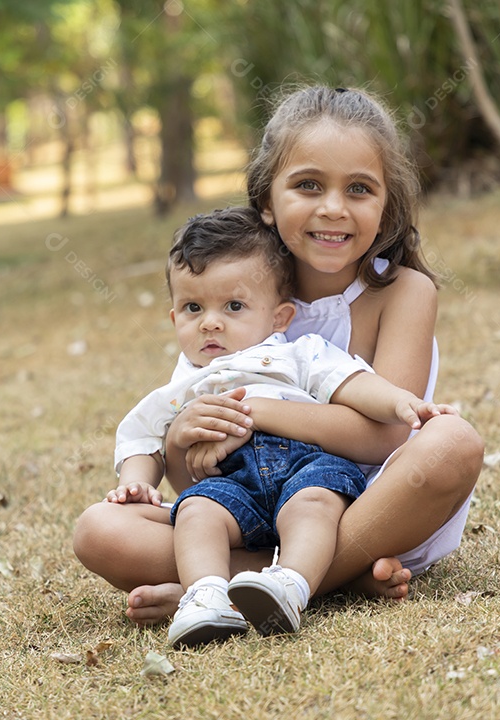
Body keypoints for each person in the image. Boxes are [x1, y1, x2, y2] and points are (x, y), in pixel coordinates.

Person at [74, 85, 484, 626]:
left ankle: (229, 590)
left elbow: (386, 436)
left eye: (359, 188)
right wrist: (179, 438)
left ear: (387, 207)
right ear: (267, 200)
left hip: (375, 512)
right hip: (250, 512)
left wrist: (256, 411)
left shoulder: (403, 293)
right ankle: (305, 582)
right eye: (308, 185)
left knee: (453, 443)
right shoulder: (231, 300)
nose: (333, 208)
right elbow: (194, 476)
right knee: (98, 530)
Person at [110, 207, 457, 647]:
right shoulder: (185, 385)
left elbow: (352, 383)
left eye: (234, 306)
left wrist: (401, 402)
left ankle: (291, 584)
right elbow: (140, 434)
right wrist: (137, 483)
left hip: (305, 468)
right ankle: (205, 595)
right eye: (193, 308)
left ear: (279, 318)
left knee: (314, 506)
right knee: (196, 513)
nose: (210, 321)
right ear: (174, 318)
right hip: (231, 486)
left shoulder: (297, 353)